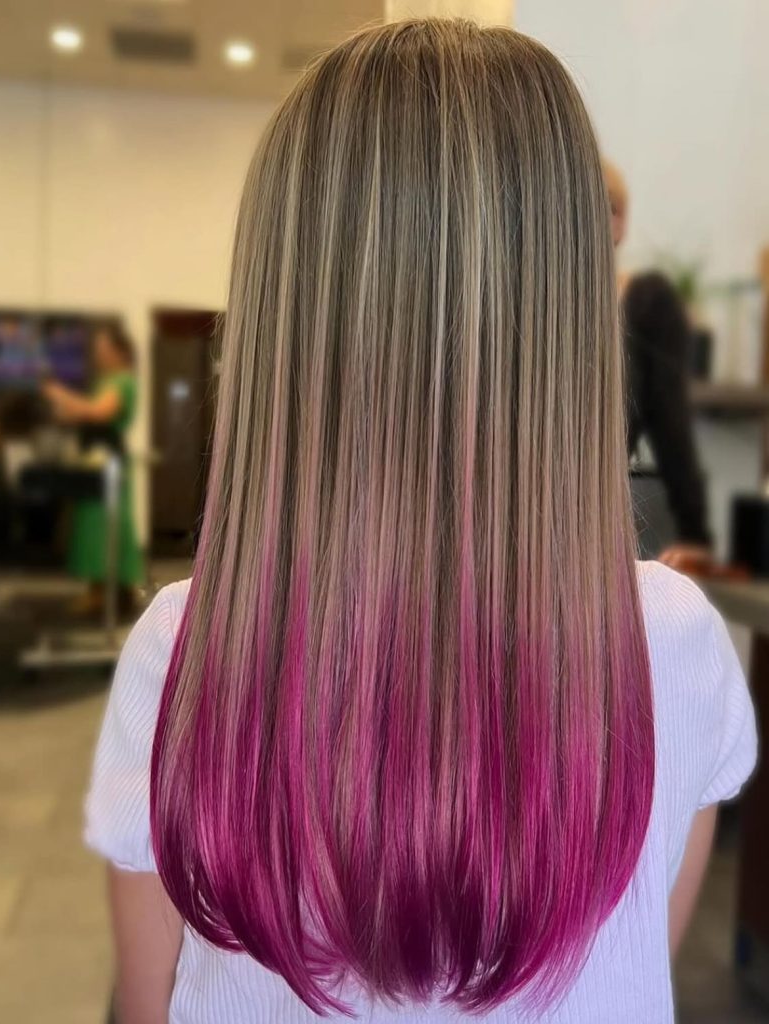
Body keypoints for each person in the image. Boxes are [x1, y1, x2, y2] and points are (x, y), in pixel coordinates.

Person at [86, 21, 756, 1023]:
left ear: (280, 314)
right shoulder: (677, 646)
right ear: (569, 310)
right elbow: (638, 958)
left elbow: (151, 1003)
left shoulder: (183, 653)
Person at [604, 162, 712, 571]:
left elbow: (672, 424)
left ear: (621, 222)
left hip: (596, 530)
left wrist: (695, 535)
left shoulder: (648, 302)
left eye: (609, 206)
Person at [42, 321, 142, 615]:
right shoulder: (105, 382)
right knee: (90, 527)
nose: (99, 355)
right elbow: (85, 413)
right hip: (93, 462)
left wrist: (58, 393)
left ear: (120, 352)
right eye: (97, 349)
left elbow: (98, 412)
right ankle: (99, 590)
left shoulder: (122, 381)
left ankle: (109, 593)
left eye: (104, 349)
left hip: (108, 464)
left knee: (106, 527)